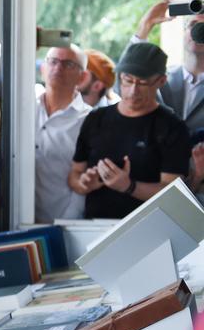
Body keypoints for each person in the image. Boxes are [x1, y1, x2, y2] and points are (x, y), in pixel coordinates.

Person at [69, 42, 191, 219]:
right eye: (128, 80)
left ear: (161, 81)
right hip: (95, 225)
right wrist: (84, 184)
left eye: (142, 83)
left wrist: (129, 186)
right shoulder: (96, 119)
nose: (133, 91)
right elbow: (74, 173)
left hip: (150, 226)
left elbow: (173, 192)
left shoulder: (172, 127)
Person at [34, 44, 91, 224]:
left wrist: (68, 221)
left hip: (63, 221)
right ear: (43, 68)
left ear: (82, 77)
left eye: (68, 64)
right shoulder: (24, 107)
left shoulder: (88, 119)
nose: (58, 68)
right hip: (16, 218)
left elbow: (86, 176)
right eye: (53, 61)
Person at [132, 0, 204, 132]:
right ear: (183, 32)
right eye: (193, 25)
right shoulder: (159, 79)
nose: (197, 32)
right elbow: (123, 85)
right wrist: (145, 25)